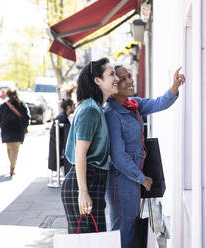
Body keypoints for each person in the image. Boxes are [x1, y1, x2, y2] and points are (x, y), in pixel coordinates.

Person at [104, 65, 185, 248]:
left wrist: (174, 87)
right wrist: (142, 179)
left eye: (130, 76)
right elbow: (117, 156)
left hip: (132, 179)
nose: (130, 81)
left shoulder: (133, 104)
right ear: (115, 84)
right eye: (124, 78)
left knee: (131, 230)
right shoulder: (112, 113)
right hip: (122, 181)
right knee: (122, 233)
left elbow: (158, 103)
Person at [61, 57, 119, 234]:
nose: (116, 78)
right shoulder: (90, 109)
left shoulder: (96, 107)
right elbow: (80, 153)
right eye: (112, 74)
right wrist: (83, 191)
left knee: (94, 238)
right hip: (85, 182)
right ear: (97, 80)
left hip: (92, 180)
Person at [0, 88, 30, 176]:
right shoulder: (21, 104)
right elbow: (27, 117)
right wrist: (24, 126)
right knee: (15, 150)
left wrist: (2, 125)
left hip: (6, 130)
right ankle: (12, 166)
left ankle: (11, 164)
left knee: (9, 148)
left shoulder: (3, 105)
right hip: (18, 129)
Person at [48, 99, 75, 175]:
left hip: (59, 148)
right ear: (69, 107)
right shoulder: (62, 118)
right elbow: (54, 134)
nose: (74, 107)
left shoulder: (63, 117)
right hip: (58, 149)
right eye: (73, 105)